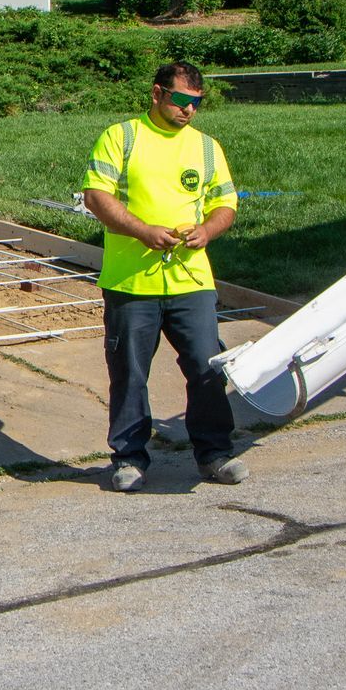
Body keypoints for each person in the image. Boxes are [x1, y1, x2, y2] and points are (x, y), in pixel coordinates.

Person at [82, 62, 248, 492]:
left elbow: (225, 204)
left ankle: (214, 454)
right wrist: (143, 232)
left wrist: (207, 230)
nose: (189, 109)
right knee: (130, 373)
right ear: (157, 93)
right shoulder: (123, 137)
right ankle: (130, 458)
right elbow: (96, 195)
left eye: (197, 102)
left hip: (191, 282)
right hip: (131, 283)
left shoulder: (208, 148)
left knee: (207, 367)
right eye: (181, 99)